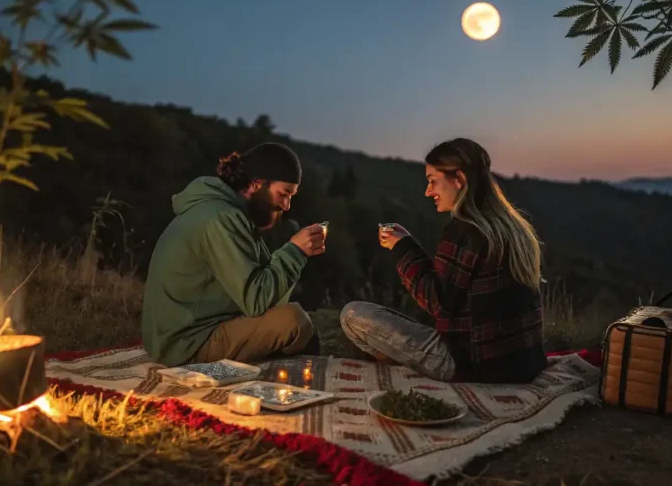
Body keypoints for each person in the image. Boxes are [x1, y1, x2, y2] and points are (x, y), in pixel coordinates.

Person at [340, 138, 548, 383]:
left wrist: (401, 246)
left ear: (458, 179)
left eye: (432, 181)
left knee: (352, 315)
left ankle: (400, 374)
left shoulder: (465, 230)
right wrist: (408, 243)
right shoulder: (512, 227)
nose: (428, 192)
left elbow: (435, 301)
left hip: (473, 364)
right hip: (524, 362)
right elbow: (450, 294)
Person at [142, 142, 326, 367]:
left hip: (200, 327)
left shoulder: (227, 213)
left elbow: (266, 295)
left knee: (292, 322)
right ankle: (312, 388)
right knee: (294, 321)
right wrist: (295, 251)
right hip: (187, 342)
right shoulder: (221, 219)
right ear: (257, 184)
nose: (287, 206)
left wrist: (296, 254)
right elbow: (257, 301)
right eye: (284, 193)